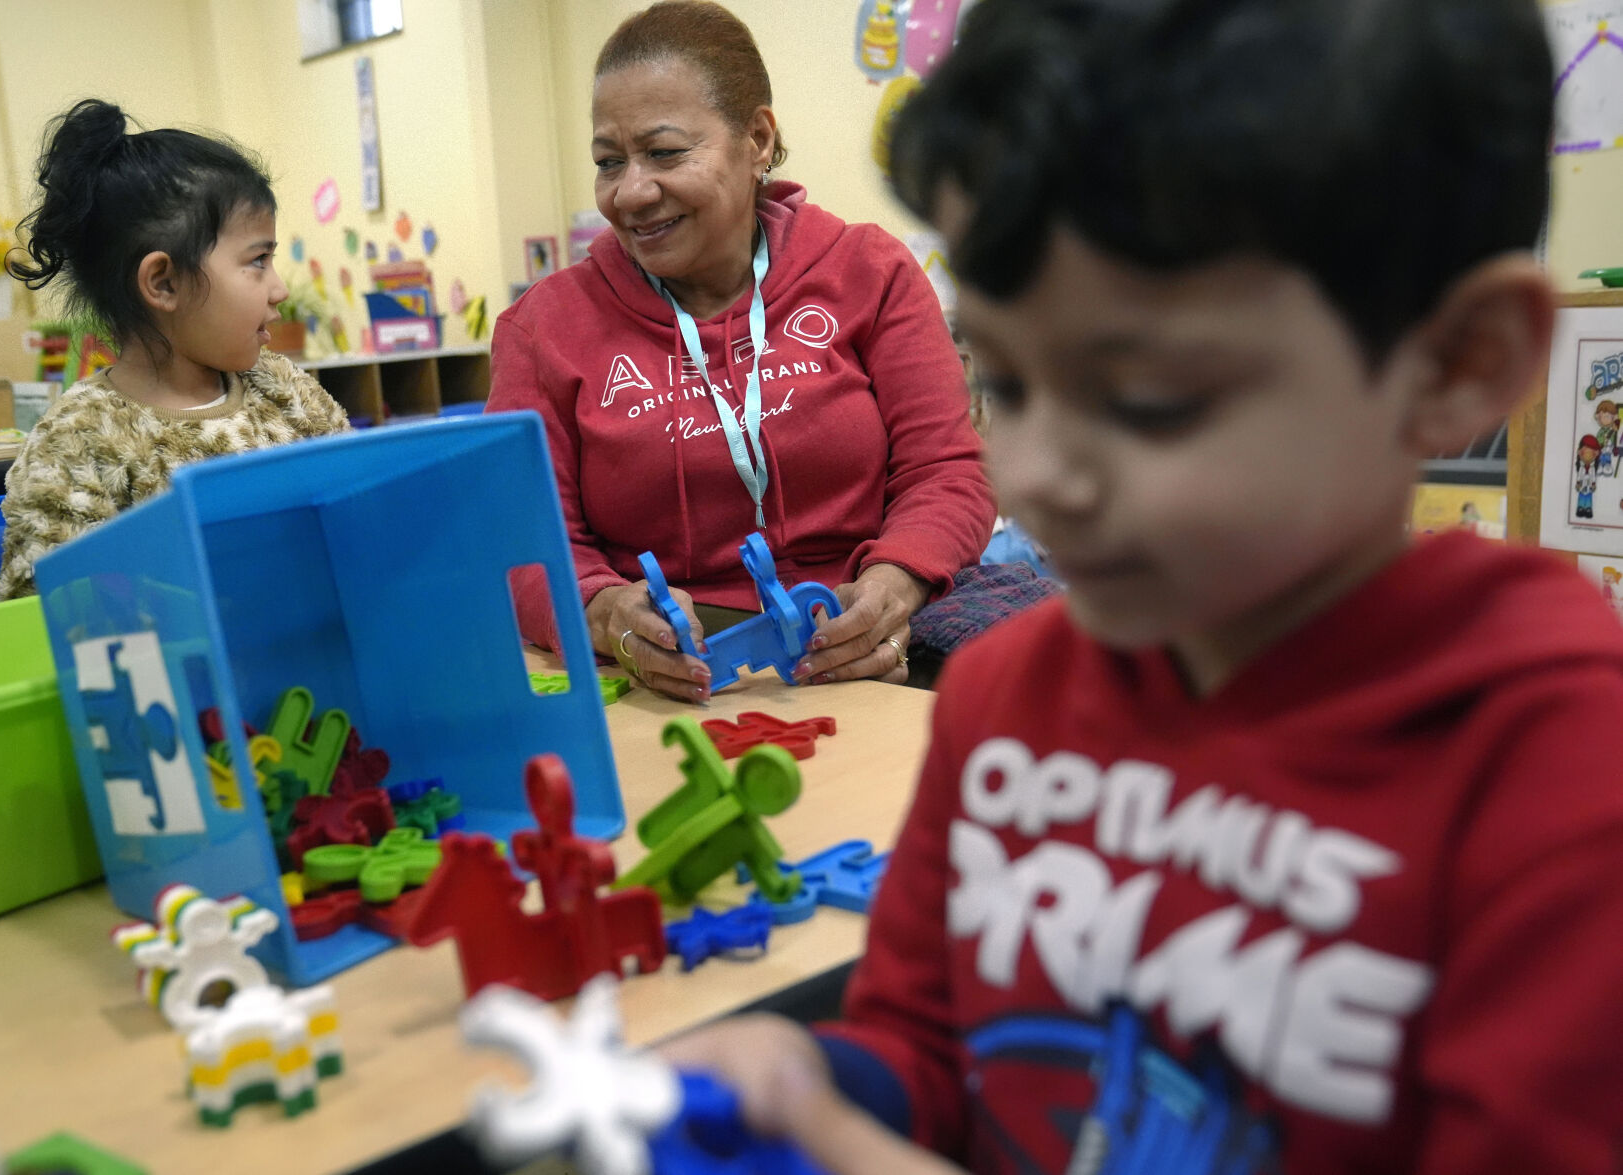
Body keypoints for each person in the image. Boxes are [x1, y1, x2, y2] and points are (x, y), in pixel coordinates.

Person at [660, 1, 1623, 1172]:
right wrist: (807, 1079)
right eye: (1003, 381)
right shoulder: (1005, 696)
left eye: (1149, 398)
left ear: (1459, 364)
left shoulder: (1555, 765)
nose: (1038, 475)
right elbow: (922, 1047)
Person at [485, 1, 995, 703]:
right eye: (608, 161)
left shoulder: (867, 272)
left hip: (877, 643)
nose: (630, 191)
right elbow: (526, 546)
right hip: (673, 679)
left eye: (664, 152)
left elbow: (947, 471)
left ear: (757, 139)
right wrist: (607, 614)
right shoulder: (542, 328)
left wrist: (893, 584)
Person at [0, 99, 348, 600]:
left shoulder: (287, 394)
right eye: (258, 260)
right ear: (163, 283)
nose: (279, 289)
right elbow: (59, 619)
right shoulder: (80, 442)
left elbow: (357, 522)